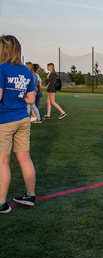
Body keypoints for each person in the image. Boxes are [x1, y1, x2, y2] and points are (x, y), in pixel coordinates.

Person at [0, 35, 37, 213]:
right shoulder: (26, 71)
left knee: (3, 161)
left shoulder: (1, 69)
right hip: (23, 119)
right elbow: (30, 98)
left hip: (4, 120)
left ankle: (1, 204)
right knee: (24, 158)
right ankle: (30, 195)